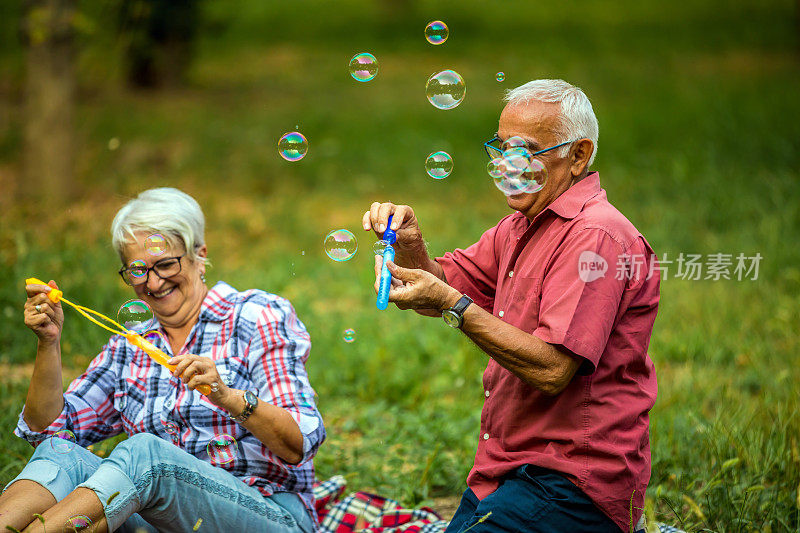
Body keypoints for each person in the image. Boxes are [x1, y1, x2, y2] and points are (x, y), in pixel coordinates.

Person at [362, 79, 658, 533]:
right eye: (501, 149)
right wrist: (409, 244)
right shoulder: (518, 227)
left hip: (574, 483)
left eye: (527, 151)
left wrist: (455, 306)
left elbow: (553, 370)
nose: (507, 165)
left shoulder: (595, 239)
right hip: (507, 472)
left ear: (578, 155)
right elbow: (440, 285)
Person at [1, 188, 325, 533]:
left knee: (146, 453)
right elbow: (49, 431)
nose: (153, 282)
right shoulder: (130, 346)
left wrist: (227, 396)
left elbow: (299, 443)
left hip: (266, 514)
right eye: (138, 270)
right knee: (59, 453)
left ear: (199, 255)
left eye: (167, 263)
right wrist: (48, 344)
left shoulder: (256, 316)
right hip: (166, 523)